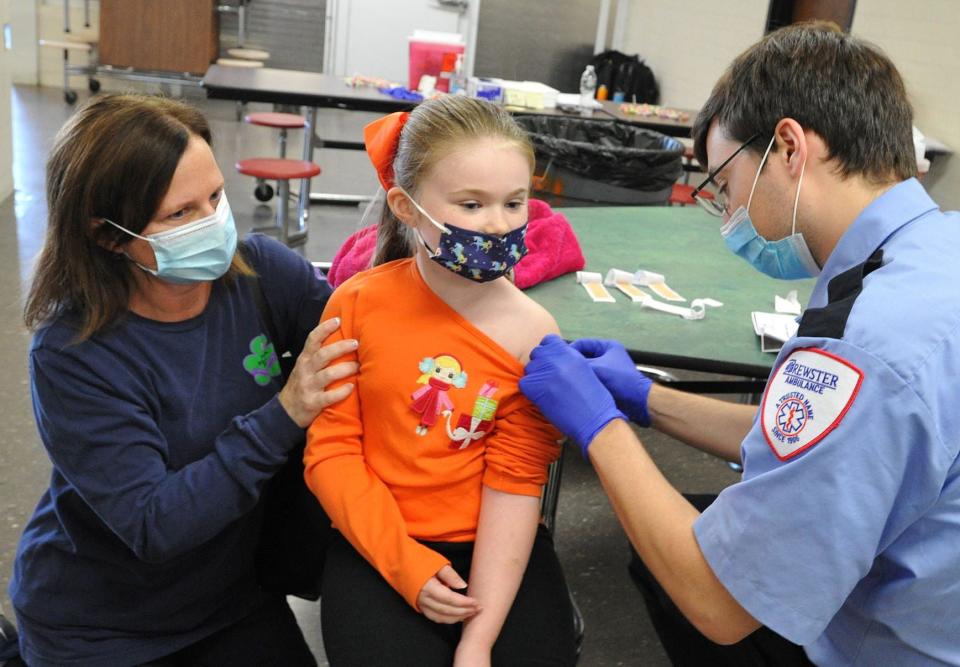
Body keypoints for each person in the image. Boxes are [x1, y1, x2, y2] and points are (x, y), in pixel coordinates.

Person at [520, 22, 960, 667]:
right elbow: (811, 436)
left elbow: (720, 603)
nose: (727, 213)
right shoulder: (935, 248)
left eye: (725, 184)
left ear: (787, 147)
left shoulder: (865, 343)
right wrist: (648, 399)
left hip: (895, 648)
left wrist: (599, 428)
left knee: (676, 567)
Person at [8, 94, 357, 667]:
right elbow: (154, 524)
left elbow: (368, 344)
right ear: (107, 236)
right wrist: (284, 414)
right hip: (103, 629)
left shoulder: (264, 274)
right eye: (180, 214)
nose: (214, 223)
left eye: (215, 197)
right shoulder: (74, 352)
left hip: (233, 600)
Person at [303, 96, 577, 666]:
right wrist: (405, 563)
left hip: (494, 547)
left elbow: (517, 482)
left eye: (514, 202)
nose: (498, 224)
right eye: (472, 204)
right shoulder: (354, 306)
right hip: (375, 540)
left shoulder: (534, 333)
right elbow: (331, 453)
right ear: (405, 206)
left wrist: (478, 642)